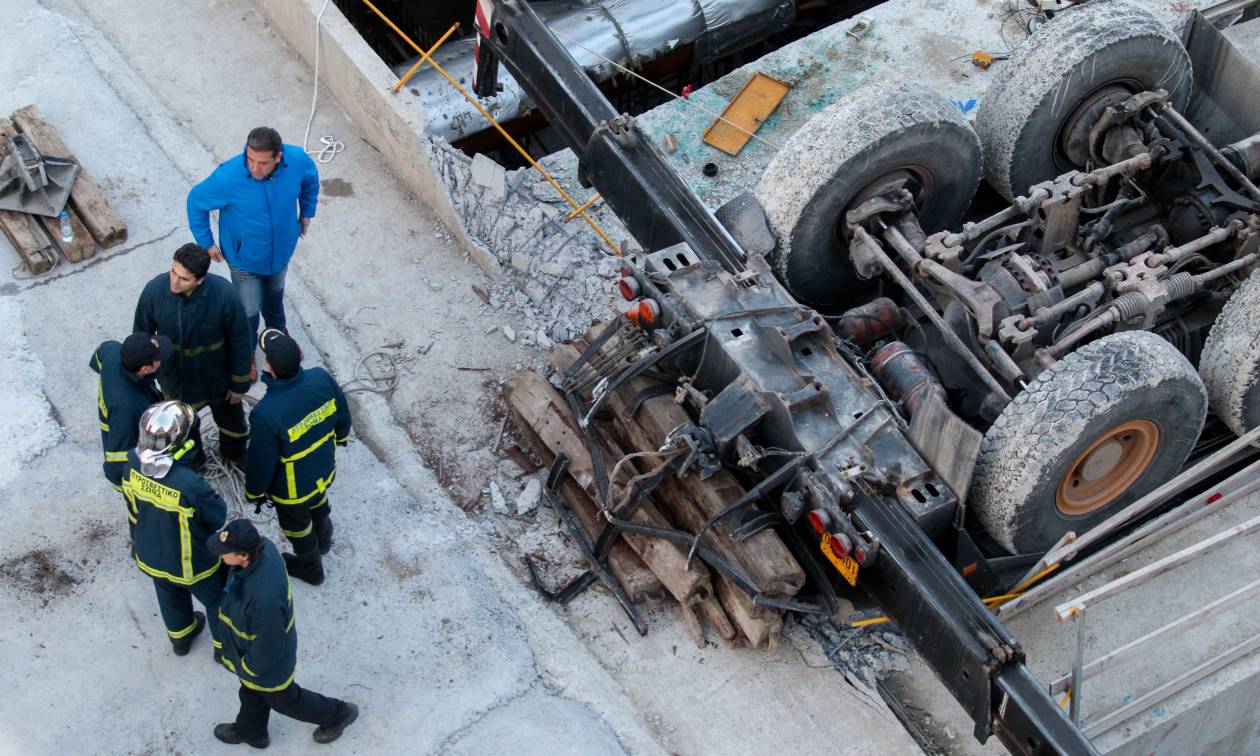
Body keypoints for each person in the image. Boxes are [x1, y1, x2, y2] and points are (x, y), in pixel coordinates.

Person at [207, 519, 359, 748]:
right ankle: (252, 732)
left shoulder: (263, 599)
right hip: (250, 657)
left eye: (225, 552)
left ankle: (338, 714)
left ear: (242, 555)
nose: (221, 556)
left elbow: (269, 649)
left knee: (285, 701)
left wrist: (248, 667)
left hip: (265, 666)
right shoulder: (261, 551)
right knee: (251, 692)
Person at [187, 126, 320, 336]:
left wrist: (307, 211)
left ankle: (277, 336)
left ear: (278, 157)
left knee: (275, 294)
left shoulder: (297, 161)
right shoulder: (228, 177)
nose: (254, 168)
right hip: (243, 258)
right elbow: (196, 201)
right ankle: (246, 351)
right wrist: (206, 242)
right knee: (248, 309)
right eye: (250, 160)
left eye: (262, 163)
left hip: (282, 251)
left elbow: (310, 180)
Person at [120, 400, 228, 658]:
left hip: (150, 554)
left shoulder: (131, 466)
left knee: (169, 596)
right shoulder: (189, 484)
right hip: (192, 564)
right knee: (218, 600)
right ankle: (224, 650)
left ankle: (181, 640)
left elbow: (133, 510)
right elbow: (216, 518)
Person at [244, 329, 351, 586]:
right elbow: (342, 415)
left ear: (269, 366)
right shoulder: (321, 379)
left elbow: (261, 461)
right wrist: (340, 436)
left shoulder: (267, 413)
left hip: (291, 487)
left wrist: (254, 492)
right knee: (318, 498)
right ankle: (324, 538)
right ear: (300, 355)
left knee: (296, 525)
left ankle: (310, 566)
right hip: (323, 467)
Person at [134, 243, 255, 467]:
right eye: (173, 272)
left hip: (218, 380)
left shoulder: (224, 295)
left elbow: (240, 340)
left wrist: (239, 384)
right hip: (177, 382)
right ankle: (194, 462)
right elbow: (142, 337)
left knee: (233, 424)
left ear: (200, 279)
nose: (174, 281)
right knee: (184, 431)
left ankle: (234, 454)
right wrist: (147, 377)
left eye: (183, 278)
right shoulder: (154, 292)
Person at [90, 332, 173, 492]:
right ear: (145, 369)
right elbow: (117, 456)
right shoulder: (129, 408)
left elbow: (100, 353)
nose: (161, 360)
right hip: (122, 431)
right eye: (158, 359)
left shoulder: (113, 352)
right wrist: (124, 485)